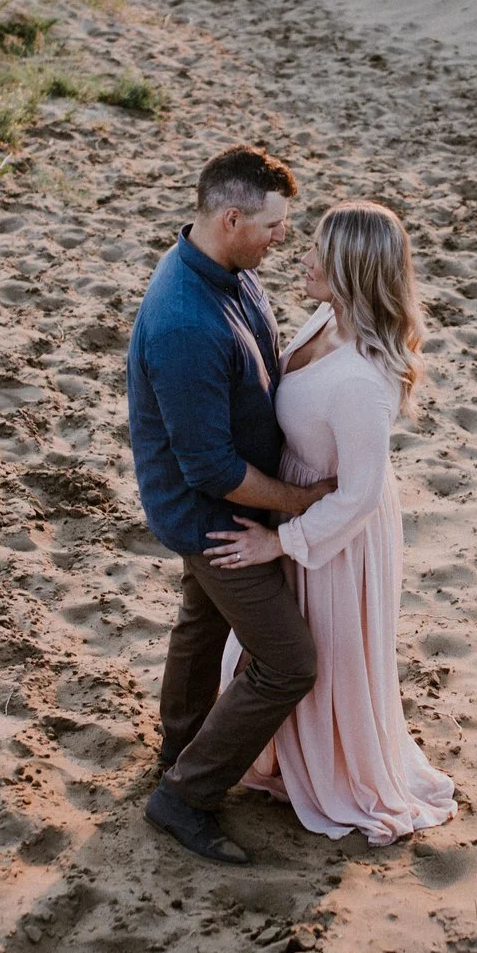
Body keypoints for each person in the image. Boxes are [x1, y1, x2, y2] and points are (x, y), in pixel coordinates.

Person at [204, 202, 457, 847]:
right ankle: (281, 755)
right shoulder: (325, 318)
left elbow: (363, 494)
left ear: (351, 268)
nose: (305, 258)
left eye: (319, 250)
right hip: (300, 502)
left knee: (327, 653)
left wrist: (280, 540)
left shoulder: (360, 382)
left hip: (336, 536)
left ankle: (331, 767)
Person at [127, 145, 333, 864]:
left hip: (217, 508)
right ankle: (185, 796)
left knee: (201, 621)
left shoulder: (227, 270)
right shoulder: (187, 320)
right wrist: (302, 500)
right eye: (275, 226)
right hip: (213, 520)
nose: (284, 238)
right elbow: (212, 469)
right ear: (233, 217)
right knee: (288, 661)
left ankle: (179, 751)